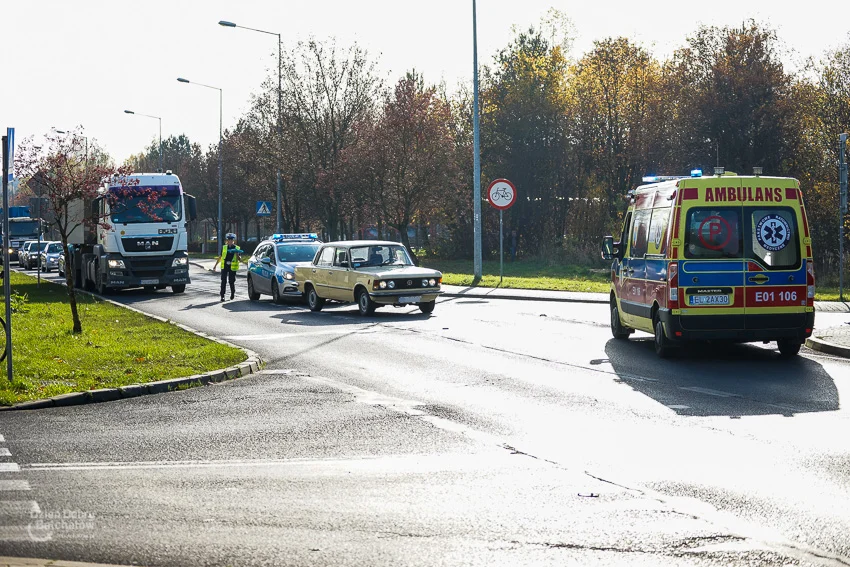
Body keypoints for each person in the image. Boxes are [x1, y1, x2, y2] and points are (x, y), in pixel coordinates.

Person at [213, 233, 243, 301]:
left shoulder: (237, 248)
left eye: (231, 240)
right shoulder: (224, 247)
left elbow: (239, 259)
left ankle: (232, 293)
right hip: (225, 266)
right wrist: (215, 266)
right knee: (223, 281)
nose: (230, 241)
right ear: (227, 241)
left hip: (232, 267)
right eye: (229, 240)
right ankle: (222, 296)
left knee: (231, 281)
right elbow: (220, 257)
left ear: (233, 241)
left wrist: (236, 253)